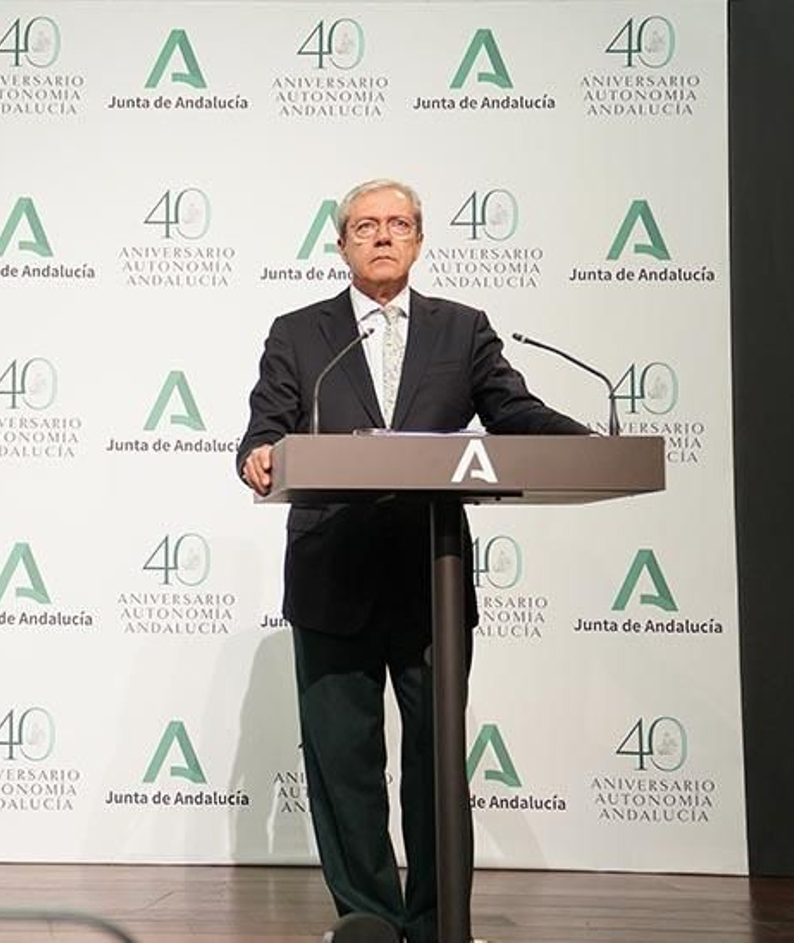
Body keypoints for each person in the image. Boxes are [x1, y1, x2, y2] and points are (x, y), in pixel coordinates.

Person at [235, 179, 586, 942]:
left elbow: (513, 410)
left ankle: (436, 926)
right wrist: (257, 455)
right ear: (341, 244)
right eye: (366, 225)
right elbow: (267, 425)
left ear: (421, 239)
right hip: (332, 572)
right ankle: (368, 922)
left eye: (398, 223)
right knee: (344, 765)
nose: (383, 235)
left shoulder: (462, 331)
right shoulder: (300, 333)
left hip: (432, 578)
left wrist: (583, 443)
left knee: (436, 762)